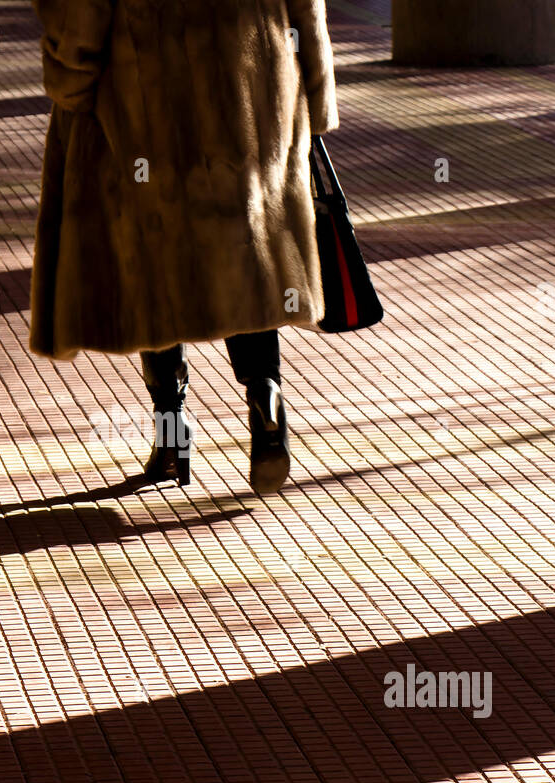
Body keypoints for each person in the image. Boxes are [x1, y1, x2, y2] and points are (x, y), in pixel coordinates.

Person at [29, 0, 339, 493]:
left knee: (154, 257)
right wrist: (317, 90)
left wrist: (71, 79)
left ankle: (172, 432)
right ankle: (265, 393)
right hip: (252, 83)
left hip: (145, 94)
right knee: (246, 247)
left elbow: (81, 16)